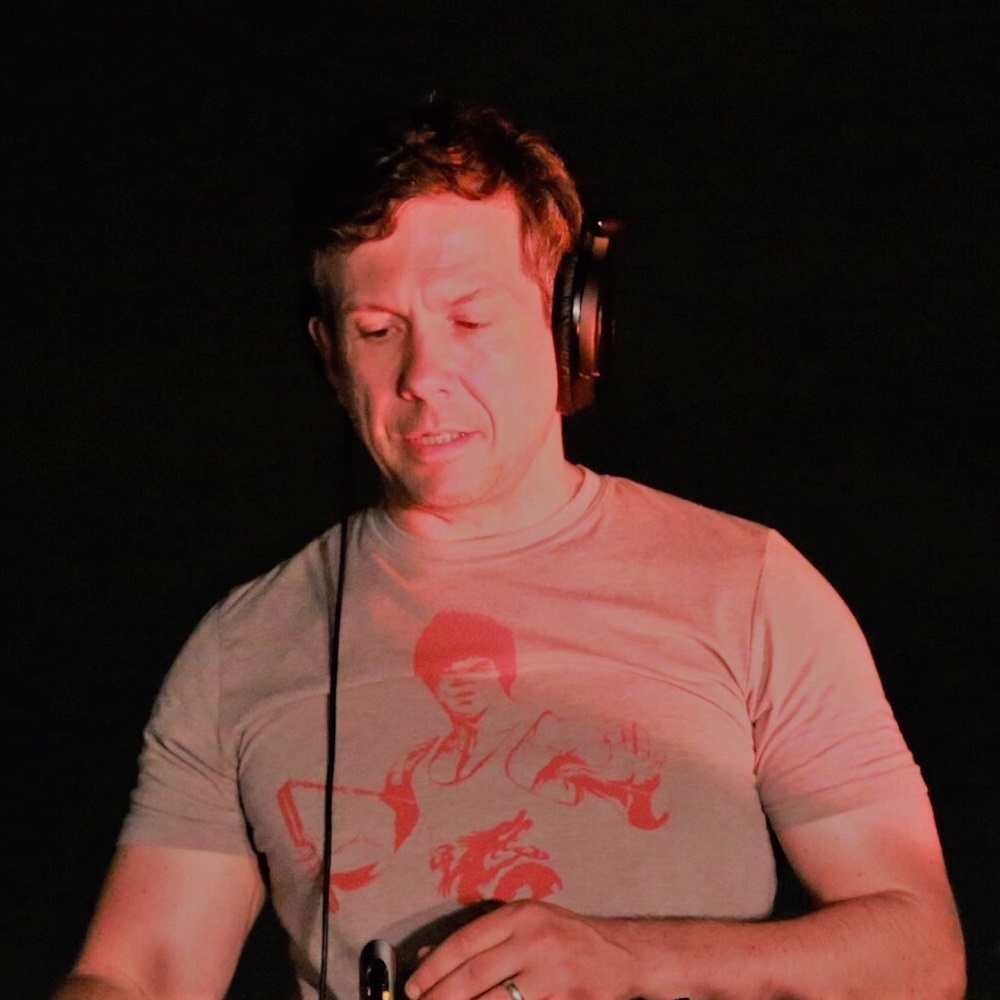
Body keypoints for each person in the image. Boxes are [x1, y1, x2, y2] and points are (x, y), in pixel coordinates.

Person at [52, 97, 965, 1000]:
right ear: (329, 356)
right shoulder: (240, 650)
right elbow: (136, 973)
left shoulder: (750, 585)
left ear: (573, 325)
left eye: (471, 321)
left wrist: (633, 960)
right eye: (378, 331)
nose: (423, 377)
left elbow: (920, 955)